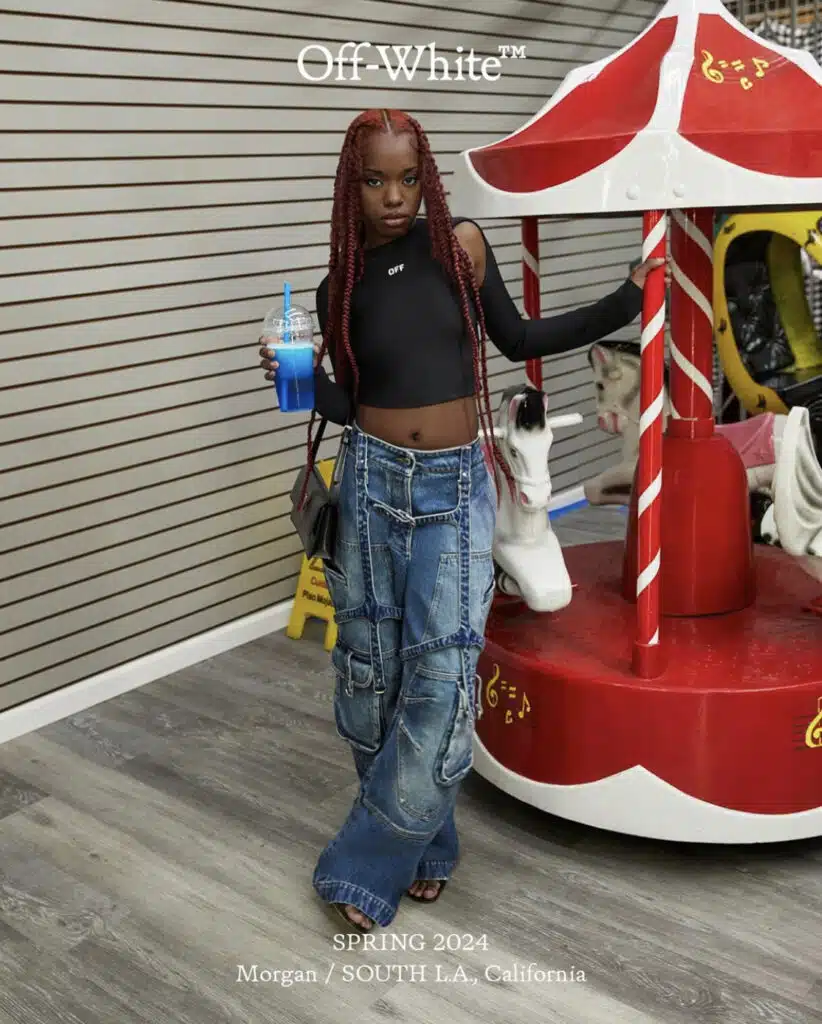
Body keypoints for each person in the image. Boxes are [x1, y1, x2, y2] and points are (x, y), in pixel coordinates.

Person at [259, 108, 663, 932]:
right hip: (369, 481)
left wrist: (627, 295)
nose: (395, 196)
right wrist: (286, 376)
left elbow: (520, 336)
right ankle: (427, 849)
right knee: (373, 684)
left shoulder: (461, 248)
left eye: (409, 178)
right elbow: (344, 404)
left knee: (441, 687)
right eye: (376, 180)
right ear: (352, 185)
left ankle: (364, 866)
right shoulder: (340, 287)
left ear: (429, 177)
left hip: (450, 489)